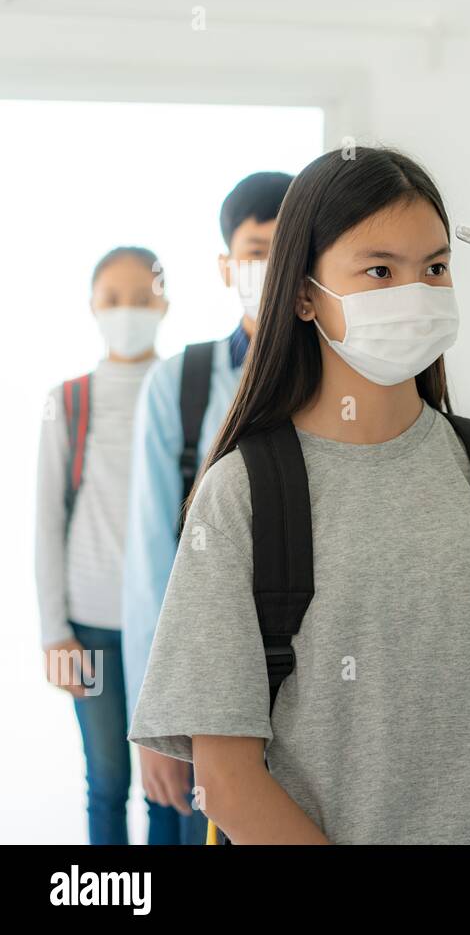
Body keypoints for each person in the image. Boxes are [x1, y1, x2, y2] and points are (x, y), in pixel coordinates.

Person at [128, 147, 470, 844]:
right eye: (380, 270)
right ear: (304, 294)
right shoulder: (242, 495)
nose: (416, 292)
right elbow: (224, 773)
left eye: (435, 268)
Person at [120, 171, 292, 844]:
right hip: (203, 706)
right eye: (256, 250)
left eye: (290, 248)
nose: (272, 268)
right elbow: (150, 566)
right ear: (227, 265)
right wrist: (153, 721)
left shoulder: (349, 381)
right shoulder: (182, 386)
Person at [35, 246, 168, 844]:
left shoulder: (181, 392)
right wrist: (53, 632)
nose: (127, 311)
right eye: (113, 300)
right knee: (107, 780)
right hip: (87, 629)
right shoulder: (69, 401)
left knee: (173, 787)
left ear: (164, 303)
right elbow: (47, 521)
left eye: (142, 298)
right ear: (92, 306)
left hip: (167, 630)